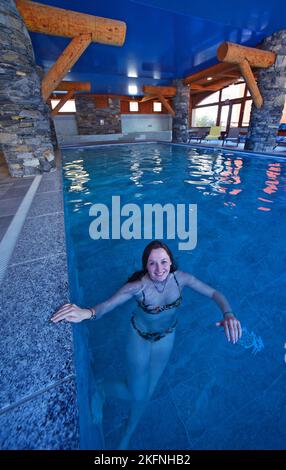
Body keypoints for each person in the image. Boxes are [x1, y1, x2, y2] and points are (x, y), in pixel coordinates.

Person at [51, 240, 242, 449]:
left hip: (166, 338)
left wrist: (228, 313)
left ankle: (127, 434)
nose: (159, 269)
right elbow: (107, 305)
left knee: (146, 394)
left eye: (163, 262)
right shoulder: (138, 287)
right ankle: (101, 389)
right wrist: (86, 313)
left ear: (171, 262)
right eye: (152, 263)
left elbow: (215, 294)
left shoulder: (181, 279)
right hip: (139, 339)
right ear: (145, 265)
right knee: (137, 393)